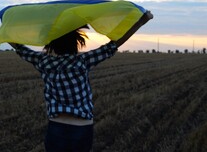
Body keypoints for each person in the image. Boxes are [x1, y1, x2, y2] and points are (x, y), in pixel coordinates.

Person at [9, 11, 153, 152]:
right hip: (82, 128)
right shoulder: (82, 61)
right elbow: (113, 45)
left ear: (51, 43)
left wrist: (5, 30)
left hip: (56, 126)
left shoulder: (44, 62)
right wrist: (140, 22)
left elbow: (20, 48)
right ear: (77, 43)